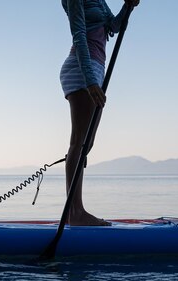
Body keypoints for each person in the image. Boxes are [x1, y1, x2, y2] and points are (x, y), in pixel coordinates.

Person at [60, 0, 140, 226]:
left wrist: (127, 7)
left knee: (87, 143)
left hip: (96, 69)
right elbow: (79, 35)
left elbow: (113, 27)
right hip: (81, 69)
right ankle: (75, 213)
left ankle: (73, 212)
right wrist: (90, 80)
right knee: (79, 143)